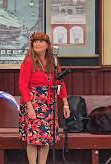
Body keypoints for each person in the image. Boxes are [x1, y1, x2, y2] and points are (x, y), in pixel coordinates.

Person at [18, 32, 70, 164]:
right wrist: (29, 107)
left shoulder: (53, 61)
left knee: (46, 138)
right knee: (34, 139)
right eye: (35, 41)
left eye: (41, 41)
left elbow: (60, 82)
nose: (38, 44)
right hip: (33, 103)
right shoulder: (28, 61)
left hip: (48, 104)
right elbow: (22, 86)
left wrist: (65, 103)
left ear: (47, 45)